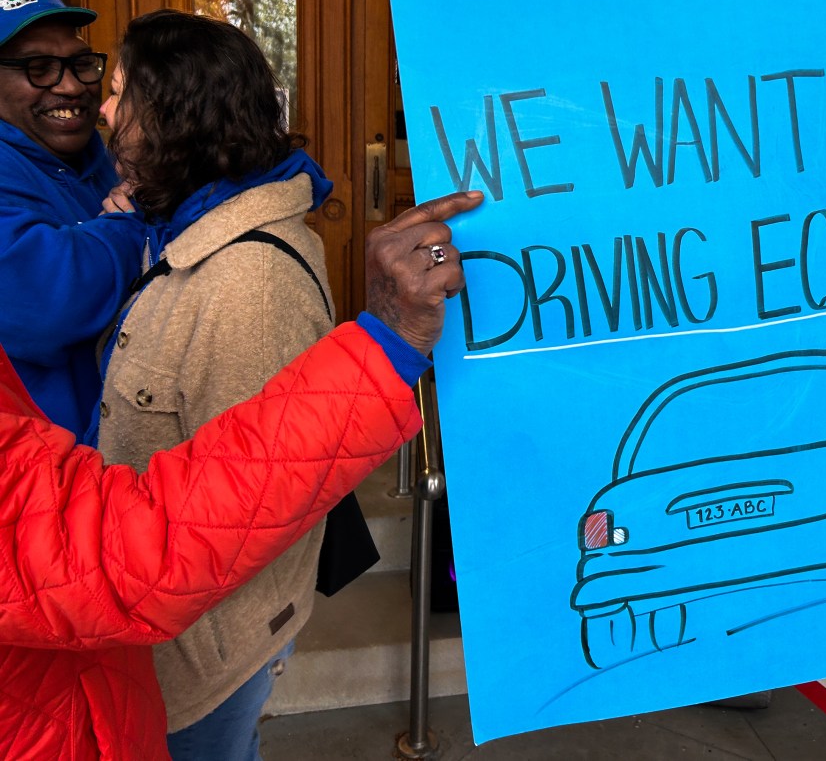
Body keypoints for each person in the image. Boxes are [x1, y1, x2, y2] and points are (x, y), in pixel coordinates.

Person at [0, 189, 482, 761]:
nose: (105, 108)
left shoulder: (251, 270)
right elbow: (112, 550)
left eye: (122, 96)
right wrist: (385, 350)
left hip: (99, 694)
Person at [88, 8, 347, 758]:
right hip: (165, 622)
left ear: (171, 111)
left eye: (118, 90)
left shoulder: (249, 282)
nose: (104, 109)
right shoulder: (187, 234)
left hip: (204, 646)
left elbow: (249, 510)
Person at [0, 0, 147, 440]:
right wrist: (127, 225)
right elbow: (44, 305)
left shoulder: (98, 158)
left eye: (81, 62)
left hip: (114, 456)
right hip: (45, 477)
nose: (71, 87)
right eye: (39, 68)